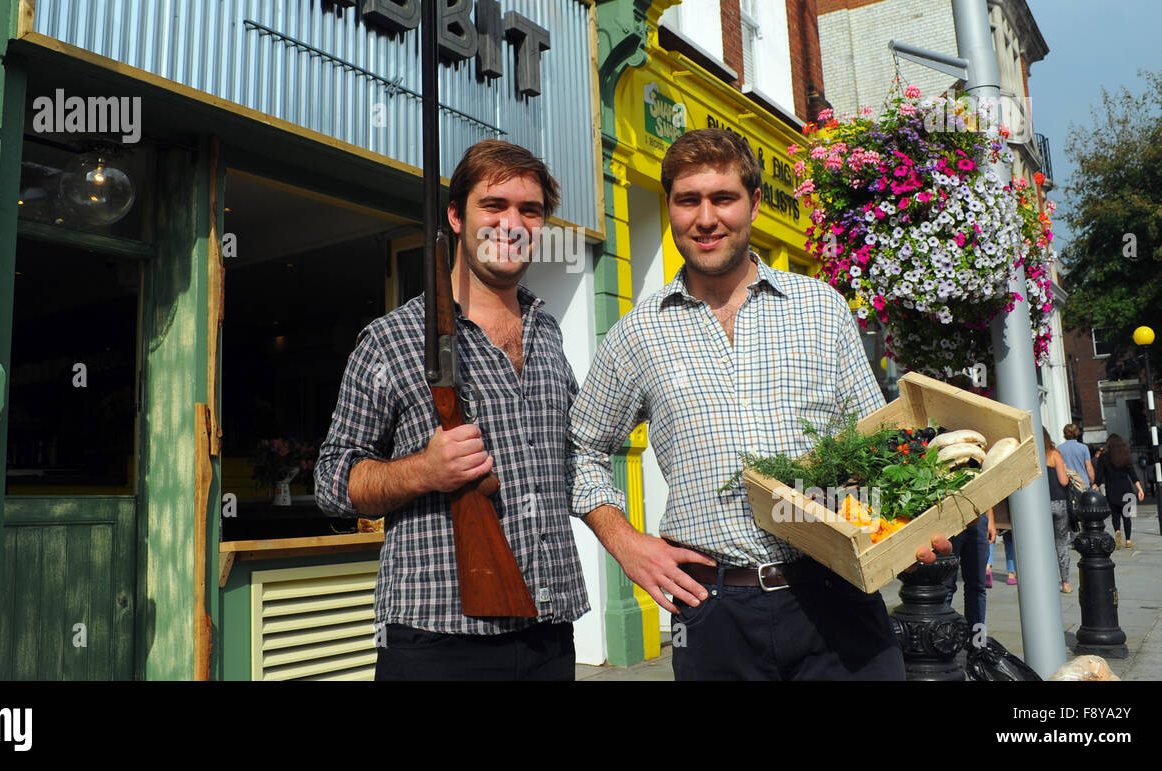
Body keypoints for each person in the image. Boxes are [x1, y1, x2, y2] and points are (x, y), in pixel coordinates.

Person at [566, 128, 951, 681]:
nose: (705, 218)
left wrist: (915, 525)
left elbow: (877, 440)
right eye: (687, 200)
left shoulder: (820, 309)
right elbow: (580, 449)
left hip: (836, 598)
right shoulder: (637, 334)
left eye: (723, 198)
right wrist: (626, 544)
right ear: (669, 206)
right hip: (712, 612)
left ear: (754, 202)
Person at [315, 140, 588, 680]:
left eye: (528, 210)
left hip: (549, 632)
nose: (511, 223)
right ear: (456, 217)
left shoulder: (549, 334)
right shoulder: (391, 339)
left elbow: (577, 466)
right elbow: (330, 482)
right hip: (437, 638)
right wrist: (425, 470)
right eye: (495, 205)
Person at [1100, 433, 1145, 550]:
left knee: (1115, 516)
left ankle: (1117, 532)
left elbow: (1099, 476)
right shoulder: (1126, 456)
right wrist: (1140, 489)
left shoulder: (1104, 457)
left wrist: (1094, 485)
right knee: (1127, 516)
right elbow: (1133, 475)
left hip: (1112, 490)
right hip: (1126, 489)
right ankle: (1128, 540)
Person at [1044, 428, 1073, 594]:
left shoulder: (1033, 455)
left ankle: (1046, 580)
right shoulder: (1055, 454)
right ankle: (1066, 583)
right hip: (1059, 502)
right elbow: (1063, 481)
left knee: (1044, 544)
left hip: (1040, 505)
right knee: (1061, 543)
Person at [1057, 423, 1094, 489]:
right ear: (1077, 433)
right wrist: (1092, 481)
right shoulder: (1084, 448)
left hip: (1068, 484)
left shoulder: (1059, 449)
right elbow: (1089, 467)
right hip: (1083, 483)